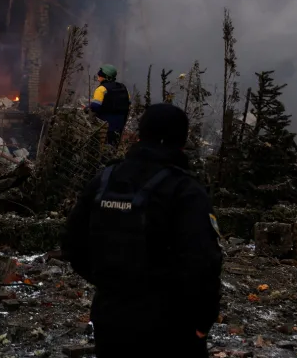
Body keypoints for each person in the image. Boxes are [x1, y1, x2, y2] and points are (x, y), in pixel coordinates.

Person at [62, 104, 222, 358]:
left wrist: (109, 283)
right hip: (170, 328)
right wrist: (203, 322)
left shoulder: (105, 180)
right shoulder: (185, 189)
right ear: (181, 141)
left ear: (140, 134)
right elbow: (203, 264)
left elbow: (71, 243)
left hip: (110, 320)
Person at [88, 64, 130, 146]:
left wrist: (87, 108)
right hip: (119, 126)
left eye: (100, 75)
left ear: (105, 77)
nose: (98, 77)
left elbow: (95, 106)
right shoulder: (123, 87)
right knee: (113, 149)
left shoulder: (101, 89)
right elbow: (128, 103)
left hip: (104, 127)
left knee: (100, 149)